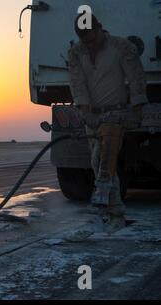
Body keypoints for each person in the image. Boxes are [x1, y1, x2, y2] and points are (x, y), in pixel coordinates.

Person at [68, 14, 148, 233]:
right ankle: (115, 211)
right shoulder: (76, 52)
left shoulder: (122, 47)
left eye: (92, 38)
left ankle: (112, 211)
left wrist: (137, 108)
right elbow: (77, 83)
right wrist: (85, 111)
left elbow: (136, 78)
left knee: (102, 160)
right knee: (98, 164)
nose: (89, 44)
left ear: (100, 28)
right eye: (84, 40)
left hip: (115, 113)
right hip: (92, 117)